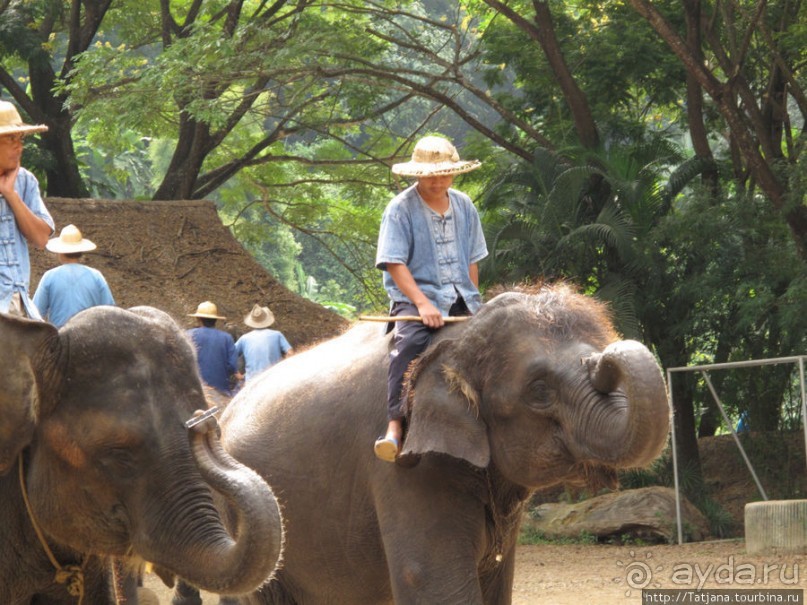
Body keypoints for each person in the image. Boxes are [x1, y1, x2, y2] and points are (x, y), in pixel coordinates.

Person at [373, 134, 487, 462]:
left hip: (461, 294)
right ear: (417, 174)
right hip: (416, 295)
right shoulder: (400, 209)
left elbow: (472, 259)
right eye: (430, 174)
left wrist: (473, 301)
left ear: (454, 172)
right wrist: (422, 303)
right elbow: (394, 262)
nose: (437, 180)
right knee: (407, 345)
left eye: (444, 173)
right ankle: (394, 426)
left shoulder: (465, 205)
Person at [0, 100, 55, 319]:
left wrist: (11, 195)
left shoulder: (25, 181)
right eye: (10, 139)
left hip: (20, 302)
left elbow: (42, 238)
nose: (19, 147)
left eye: (20, 138)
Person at [33, 224, 115, 327]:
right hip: (91, 337)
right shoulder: (96, 276)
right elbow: (111, 312)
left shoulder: (49, 277)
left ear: (60, 252)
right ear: (80, 251)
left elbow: (35, 313)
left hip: (60, 337)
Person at [186, 301, 241, 401]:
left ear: (198, 319)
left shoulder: (188, 335)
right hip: (221, 390)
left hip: (195, 391)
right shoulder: (227, 338)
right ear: (215, 320)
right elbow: (233, 365)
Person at [235, 303, 293, 382]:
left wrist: (238, 375)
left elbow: (229, 355)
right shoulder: (277, 335)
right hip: (274, 380)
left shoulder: (244, 338)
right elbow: (290, 353)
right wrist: (282, 369)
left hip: (251, 382)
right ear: (267, 320)